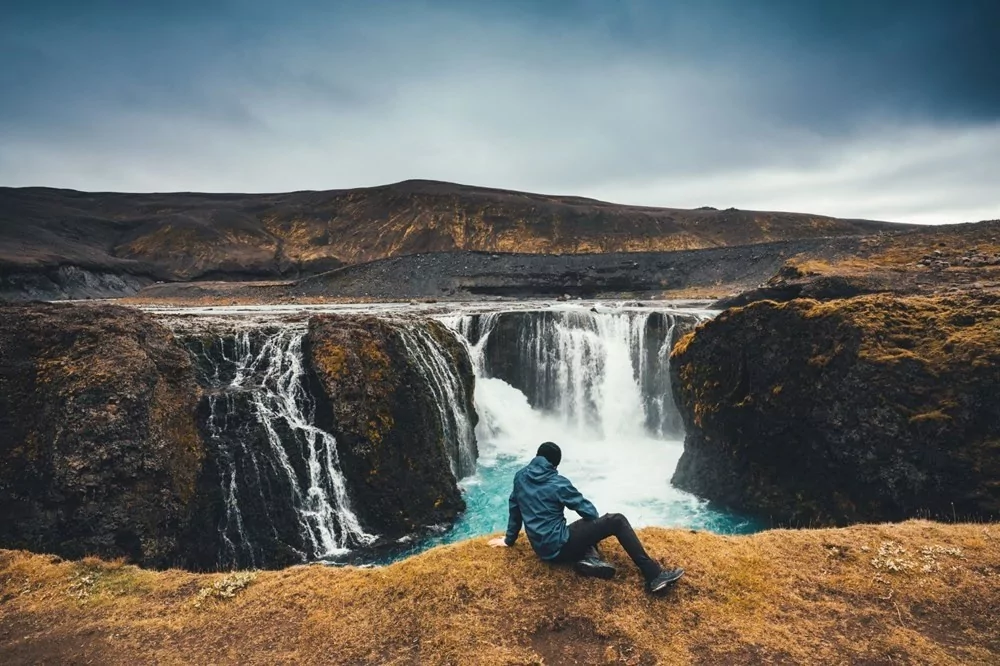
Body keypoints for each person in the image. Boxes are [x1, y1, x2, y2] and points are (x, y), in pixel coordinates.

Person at [488, 441, 684, 594]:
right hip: (559, 545)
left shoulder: (519, 477)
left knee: (579, 529)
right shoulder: (557, 482)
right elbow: (589, 513)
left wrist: (509, 540)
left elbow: (514, 508)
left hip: (542, 550)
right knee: (616, 520)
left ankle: (590, 559)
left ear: (537, 456)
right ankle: (654, 576)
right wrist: (593, 527)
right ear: (555, 464)